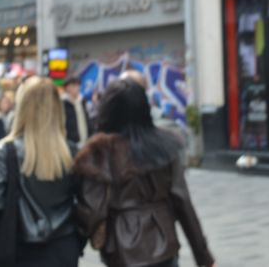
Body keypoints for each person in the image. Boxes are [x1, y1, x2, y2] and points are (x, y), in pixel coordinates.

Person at [74, 78, 215, 267]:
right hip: (164, 242)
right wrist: (203, 256)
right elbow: (183, 203)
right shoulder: (164, 147)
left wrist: (76, 243)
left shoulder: (100, 153)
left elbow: (92, 211)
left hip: (121, 249)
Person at [0, 77, 79, 267]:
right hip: (63, 250)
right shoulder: (73, 153)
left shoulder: (6, 152)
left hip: (17, 248)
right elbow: (87, 207)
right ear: (57, 109)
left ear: (22, 108)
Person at [62, 77, 91, 144]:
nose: (78, 88)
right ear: (67, 87)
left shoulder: (82, 101)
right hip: (71, 142)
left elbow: (87, 120)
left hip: (85, 141)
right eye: (74, 86)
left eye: (78, 85)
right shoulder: (63, 103)